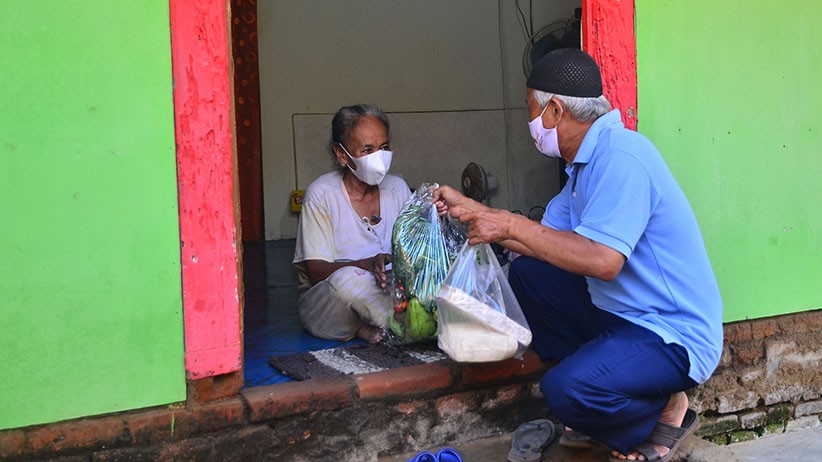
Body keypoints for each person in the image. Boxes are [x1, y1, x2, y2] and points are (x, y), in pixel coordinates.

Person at [433, 49, 723, 462]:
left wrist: (510, 225)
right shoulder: (583, 166)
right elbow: (543, 240)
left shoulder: (622, 157)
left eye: (531, 110)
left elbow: (604, 262)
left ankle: (662, 409)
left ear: (554, 110)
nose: (529, 122)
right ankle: (609, 385)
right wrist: (471, 212)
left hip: (672, 333)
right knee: (529, 274)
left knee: (565, 391)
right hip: (623, 316)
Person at [293, 104, 411, 344]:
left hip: (392, 291)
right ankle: (407, 327)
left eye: (384, 147)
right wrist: (368, 265)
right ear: (341, 154)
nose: (378, 156)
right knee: (349, 280)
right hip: (331, 305)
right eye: (368, 149)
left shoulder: (398, 188)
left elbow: (415, 251)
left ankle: (375, 324)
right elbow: (315, 271)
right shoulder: (321, 194)